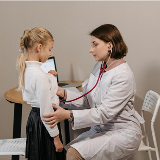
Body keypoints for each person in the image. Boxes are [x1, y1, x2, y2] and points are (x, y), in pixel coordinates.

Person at [43, 24, 144, 160]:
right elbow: (87, 100)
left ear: (110, 45)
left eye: (95, 44)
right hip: (100, 129)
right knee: (62, 153)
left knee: (73, 155)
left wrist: (68, 114)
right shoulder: (100, 66)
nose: (90, 50)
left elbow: (104, 113)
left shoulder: (123, 75)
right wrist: (63, 93)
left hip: (122, 133)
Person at [16, 27, 66, 160]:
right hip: (46, 123)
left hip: (34, 119)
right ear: (39, 47)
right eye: (49, 49)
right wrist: (56, 138)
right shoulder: (40, 76)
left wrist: (49, 77)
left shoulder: (27, 71)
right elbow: (46, 109)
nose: (50, 54)